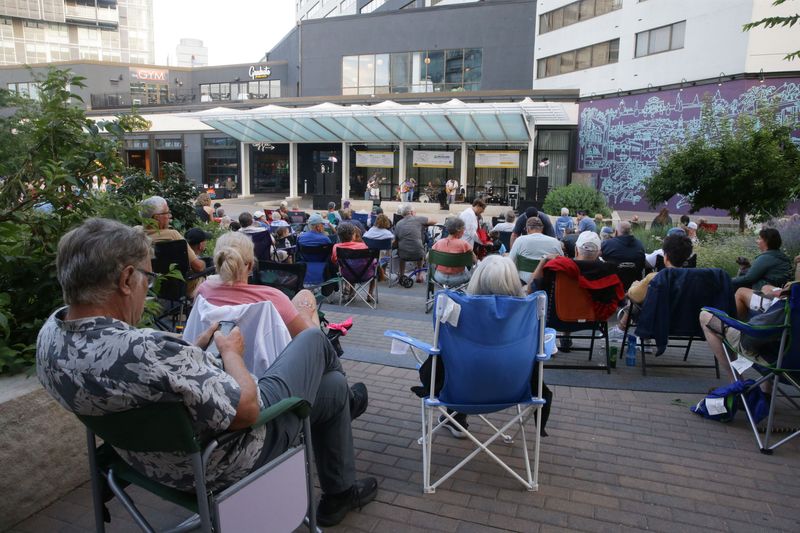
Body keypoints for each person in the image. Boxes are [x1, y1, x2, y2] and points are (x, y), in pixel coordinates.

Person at [36, 218, 377, 528]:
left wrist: (193, 351)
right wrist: (232, 355)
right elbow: (247, 410)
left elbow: (154, 380)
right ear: (126, 279)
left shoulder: (51, 340)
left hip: (139, 459)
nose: (147, 288)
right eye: (147, 277)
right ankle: (345, 434)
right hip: (222, 457)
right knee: (316, 341)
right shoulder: (150, 350)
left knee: (328, 389)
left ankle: (341, 482)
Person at [415, 255, 553, 438]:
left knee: (454, 360)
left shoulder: (455, 307)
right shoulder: (526, 312)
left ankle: (454, 418)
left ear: (477, 279)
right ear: (513, 281)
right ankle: (454, 419)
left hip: (459, 390)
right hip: (515, 389)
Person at [197, 232, 320, 337]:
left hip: (217, 357)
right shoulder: (272, 298)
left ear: (217, 263)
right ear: (250, 265)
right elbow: (309, 341)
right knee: (305, 296)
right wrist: (304, 315)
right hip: (274, 363)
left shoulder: (203, 291)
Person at [529, 231, 624, 351]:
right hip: (594, 320)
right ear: (599, 252)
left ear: (576, 250)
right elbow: (616, 299)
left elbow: (532, 289)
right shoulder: (608, 272)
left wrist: (544, 260)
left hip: (556, 319)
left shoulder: (559, 267)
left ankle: (561, 338)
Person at [699, 282, 793, 385]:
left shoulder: (792, 300)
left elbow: (754, 335)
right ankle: (766, 390)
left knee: (705, 316)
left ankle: (736, 383)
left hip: (777, 363)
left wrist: (734, 324)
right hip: (793, 366)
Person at [609, 233, 693, 339]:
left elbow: (635, 296)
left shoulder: (655, 277)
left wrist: (635, 286)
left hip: (655, 319)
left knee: (636, 300)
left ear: (665, 257)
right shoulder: (692, 278)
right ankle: (623, 330)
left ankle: (623, 330)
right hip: (682, 321)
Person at [140, 195, 207, 277]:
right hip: (178, 285)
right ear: (157, 218)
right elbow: (198, 267)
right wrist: (204, 263)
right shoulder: (172, 235)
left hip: (148, 285)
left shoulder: (136, 233)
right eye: (167, 213)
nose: (170, 216)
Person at [394, 204, 436, 284]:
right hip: (418, 254)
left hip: (403, 254)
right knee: (420, 251)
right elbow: (434, 221)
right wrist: (425, 224)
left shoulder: (398, 223)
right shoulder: (419, 219)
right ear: (412, 212)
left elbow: (396, 241)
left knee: (401, 254)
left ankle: (401, 275)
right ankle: (419, 275)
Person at [431, 217, 475, 286]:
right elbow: (474, 260)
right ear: (459, 230)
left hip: (439, 277)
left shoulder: (438, 243)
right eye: (464, 228)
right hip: (459, 278)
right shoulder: (464, 244)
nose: (464, 231)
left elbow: (428, 257)